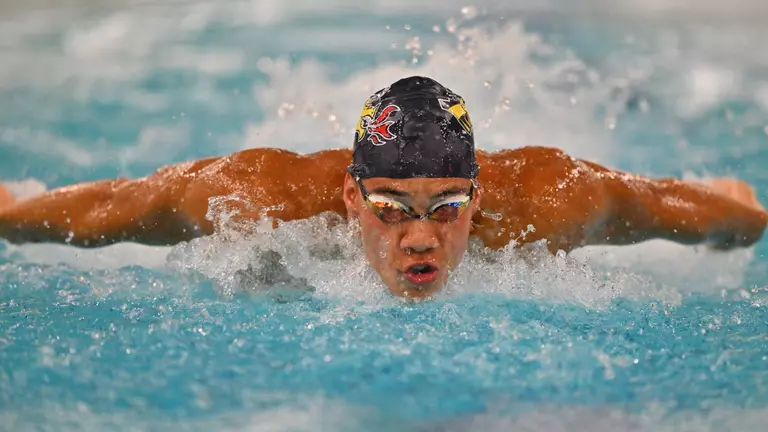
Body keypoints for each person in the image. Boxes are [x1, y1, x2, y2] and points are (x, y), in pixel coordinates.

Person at [0, 76, 766, 298]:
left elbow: (674, 208)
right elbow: (120, 206)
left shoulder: (554, 199)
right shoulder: (258, 197)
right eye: (392, 210)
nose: (422, 237)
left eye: (448, 207)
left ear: (480, 192)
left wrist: (741, 214)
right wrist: (13, 215)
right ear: (347, 197)